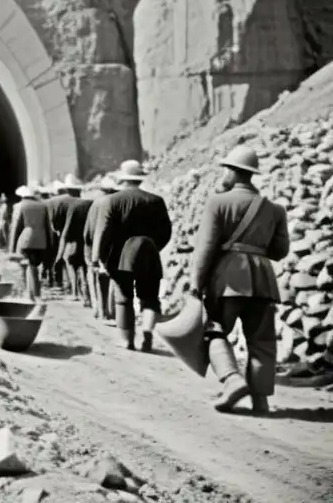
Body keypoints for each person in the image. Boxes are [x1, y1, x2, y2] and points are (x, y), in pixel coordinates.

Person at [188, 146, 289, 414]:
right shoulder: (275, 210)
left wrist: (196, 285)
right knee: (262, 341)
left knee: (213, 330)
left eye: (226, 169)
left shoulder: (218, 202)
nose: (223, 174)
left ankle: (232, 381)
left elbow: (206, 248)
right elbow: (280, 251)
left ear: (233, 172)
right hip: (263, 280)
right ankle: (261, 401)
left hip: (228, 280)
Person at [92, 160, 172, 350]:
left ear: (123, 179)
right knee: (150, 297)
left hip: (121, 256)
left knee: (123, 297)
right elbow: (166, 231)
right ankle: (147, 333)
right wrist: (153, 247)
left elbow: (103, 232)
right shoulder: (156, 200)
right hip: (149, 252)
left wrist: (99, 258)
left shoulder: (112, 201)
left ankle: (127, 340)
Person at [9, 184, 52, 301]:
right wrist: (49, 243)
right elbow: (48, 226)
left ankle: (29, 293)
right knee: (34, 266)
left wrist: (11, 248)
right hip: (41, 241)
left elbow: (16, 227)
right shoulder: (43, 206)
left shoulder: (19, 206)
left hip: (26, 239)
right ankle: (35, 292)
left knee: (25, 266)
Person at [84, 176, 119, 319]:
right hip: (115, 247)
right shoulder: (118, 203)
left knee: (99, 280)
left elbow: (91, 230)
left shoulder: (95, 204)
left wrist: (92, 253)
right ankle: (110, 310)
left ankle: (101, 310)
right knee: (112, 279)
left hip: (99, 247)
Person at [56, 175, 92, 304]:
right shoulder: (89, 203)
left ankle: (75, 293)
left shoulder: (68, 204)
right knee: (84, 268)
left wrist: (61, 245)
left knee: (71, 265)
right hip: (86, 241)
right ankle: (86, 295)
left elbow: (63, 226)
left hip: (72, 241)